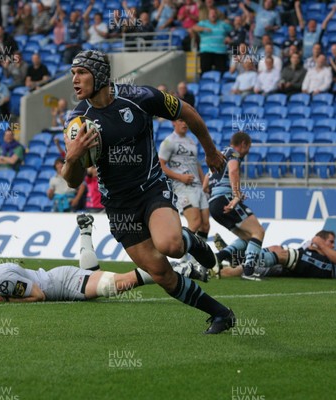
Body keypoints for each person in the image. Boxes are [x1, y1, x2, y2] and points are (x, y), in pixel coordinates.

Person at [63, 50, 234, 334]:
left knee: (171, 246)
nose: (75, 80)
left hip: (151, 189)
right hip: (119, 207)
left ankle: (188, 240)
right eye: (72, 74)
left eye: (81, 73)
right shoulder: (78, 122)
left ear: (100, 74)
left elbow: (186, 111)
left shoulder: (140, 97)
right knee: (160, 273)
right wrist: (73, 157)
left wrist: (211, 151)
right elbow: (71, 181)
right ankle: (220, 314)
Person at [0, 215, 208, 303]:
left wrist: (3, 301)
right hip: (59, 275)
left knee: (120, 284)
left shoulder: (2, 280)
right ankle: (85, 233)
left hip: (61, 283)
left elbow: (38, 295)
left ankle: (181, 266)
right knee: (98, 276)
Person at [204, 131, 265, 281]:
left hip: (214, 204)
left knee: (247, 238)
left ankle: (218, 258)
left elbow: (206, 183)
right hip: (225, 199)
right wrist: (236, 194)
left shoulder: (218, 155)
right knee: (258, 231)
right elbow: (233, 170)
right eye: (248, 147)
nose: (248, 151)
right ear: (243, 144)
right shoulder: (233, 154)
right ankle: (249, 271)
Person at [219, 226, 336, 279]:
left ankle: (234, 265)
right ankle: (237, 260)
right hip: (324, 265)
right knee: (278, 250)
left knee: (283, 256)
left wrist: (321, 245)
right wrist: (318, 248)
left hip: (326, 270)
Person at [159, 118, 209, 242]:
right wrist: (180, 177)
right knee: (195, 222)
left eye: (185, 121)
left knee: (205, 225)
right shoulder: (168, 141)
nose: (185, 123)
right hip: (182, 187)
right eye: (181, 120)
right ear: (173, 123)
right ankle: (181, 255)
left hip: (198, 186)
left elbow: (195, 164)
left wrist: (204, 183)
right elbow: (161, 165)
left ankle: (197, 260)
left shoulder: (191, 141)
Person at [192, 9, 231, 75]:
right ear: (208, 15)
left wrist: (228, 37)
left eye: (214, 13)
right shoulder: (203, 23)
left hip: (220, 51)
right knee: (205, 72)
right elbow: (194, 28)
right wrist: (203, 29)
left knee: (221, 73)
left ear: (217, 15)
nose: (213, 15)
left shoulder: (222, 23)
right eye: (211, 13)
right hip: (207, 51)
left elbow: (232, 30)